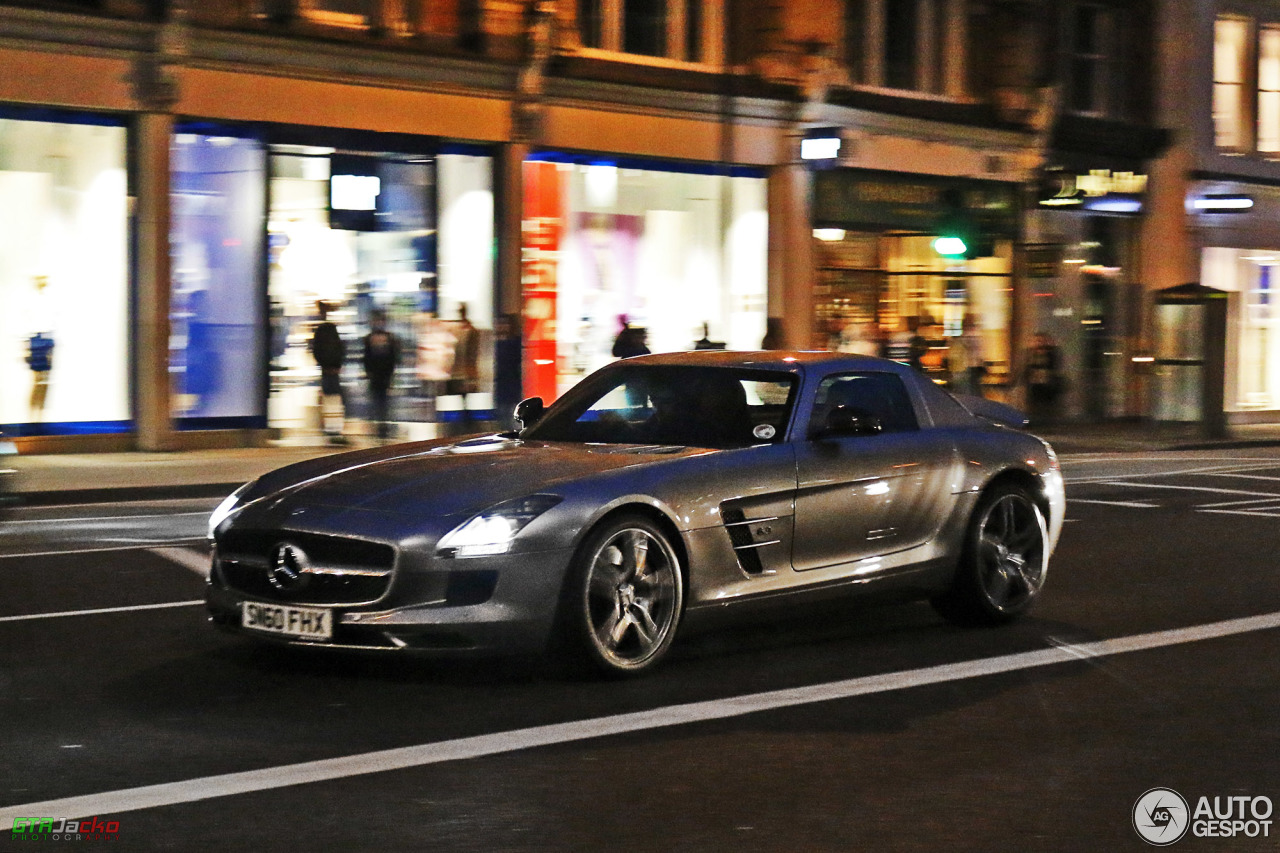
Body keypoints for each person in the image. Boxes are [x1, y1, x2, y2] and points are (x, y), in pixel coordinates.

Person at [309, 300, 348, 444]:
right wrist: (336, 366)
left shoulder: (321, 330)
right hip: (332, 370)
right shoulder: (331, 329)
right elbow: (339, 349)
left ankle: (330, 428)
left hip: (327, 370)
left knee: (329, 400)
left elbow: (316, 350)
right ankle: (334, 429)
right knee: (335, 400)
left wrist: (324, 365)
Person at [361, 308, 400, 440]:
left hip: (381, 376)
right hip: (380, 376)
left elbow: (367, 358)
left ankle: (381, 427)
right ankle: (381, 427)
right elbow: (393, 358)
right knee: (381, 403)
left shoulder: (371, 338)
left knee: (381, 403)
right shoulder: (386, 338)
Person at [449, 304, 481, 426]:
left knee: (466, 397)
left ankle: (468, 423)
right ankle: (465, 421)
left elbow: (473, 353)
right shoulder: (459, 330)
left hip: (466, 370)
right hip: (459, 370)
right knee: (461, 397)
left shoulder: (471, 330)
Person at [1023, 331, 1064, 426]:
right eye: (1037, 341)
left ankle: (1048, 423)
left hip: (1048, 384)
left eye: (1041, 341)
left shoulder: (1052, 353)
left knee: (1047, 406)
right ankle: (1036, 423)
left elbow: (1055, 367)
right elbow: (1026, 369)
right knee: (1035, 405)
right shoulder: (1031, 354)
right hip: (1035, 384)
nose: (1039, 343)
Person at [949, 315, 987, 397]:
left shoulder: (966, 336)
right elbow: (979, 352)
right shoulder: (974, 335)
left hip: (968, 367)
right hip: (970, 367)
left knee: (969, 389)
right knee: (973, 389)